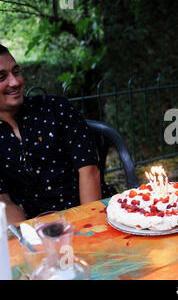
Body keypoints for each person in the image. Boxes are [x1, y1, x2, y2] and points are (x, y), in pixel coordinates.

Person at [0, 44, 114, 223]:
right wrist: (25, 239)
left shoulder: (56, 108)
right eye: (2, 77)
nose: (15, 82)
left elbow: (89, 171)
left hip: (93, 212)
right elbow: (3, 200)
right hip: (42, 228)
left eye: (16, 71)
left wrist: (89, 226)